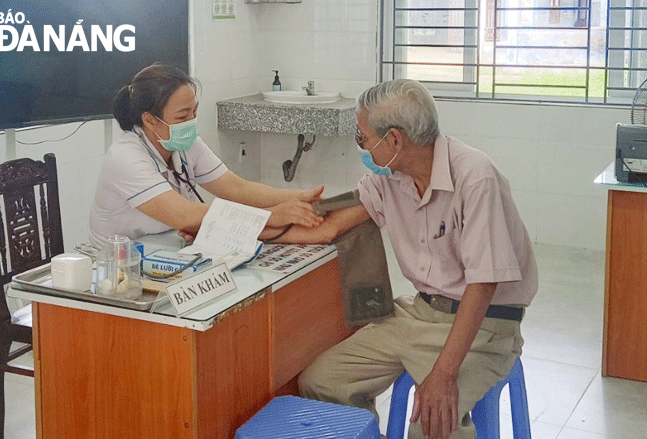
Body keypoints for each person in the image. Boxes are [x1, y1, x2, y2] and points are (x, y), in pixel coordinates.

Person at [278, 79, 538, 439]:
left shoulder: (475, 177)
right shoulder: (390, 176)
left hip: (484, 327)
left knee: (432, 424)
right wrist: (235, 230)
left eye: (363, 138)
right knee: (322, 381)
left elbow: (483, 284)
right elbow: (327, 227)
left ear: (395, 140)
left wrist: (444, 375)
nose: (362, 147)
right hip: (419, 313)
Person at [89, 63, 324, 249]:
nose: (191, 122)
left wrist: (301, 197)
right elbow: (182, 215)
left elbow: (237, 189)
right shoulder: (124, 158)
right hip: (118, 265)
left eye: (194, 112)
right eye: (182, 117)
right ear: (149, 120)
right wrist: (270, 215)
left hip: (168, 247)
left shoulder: (185, 144)